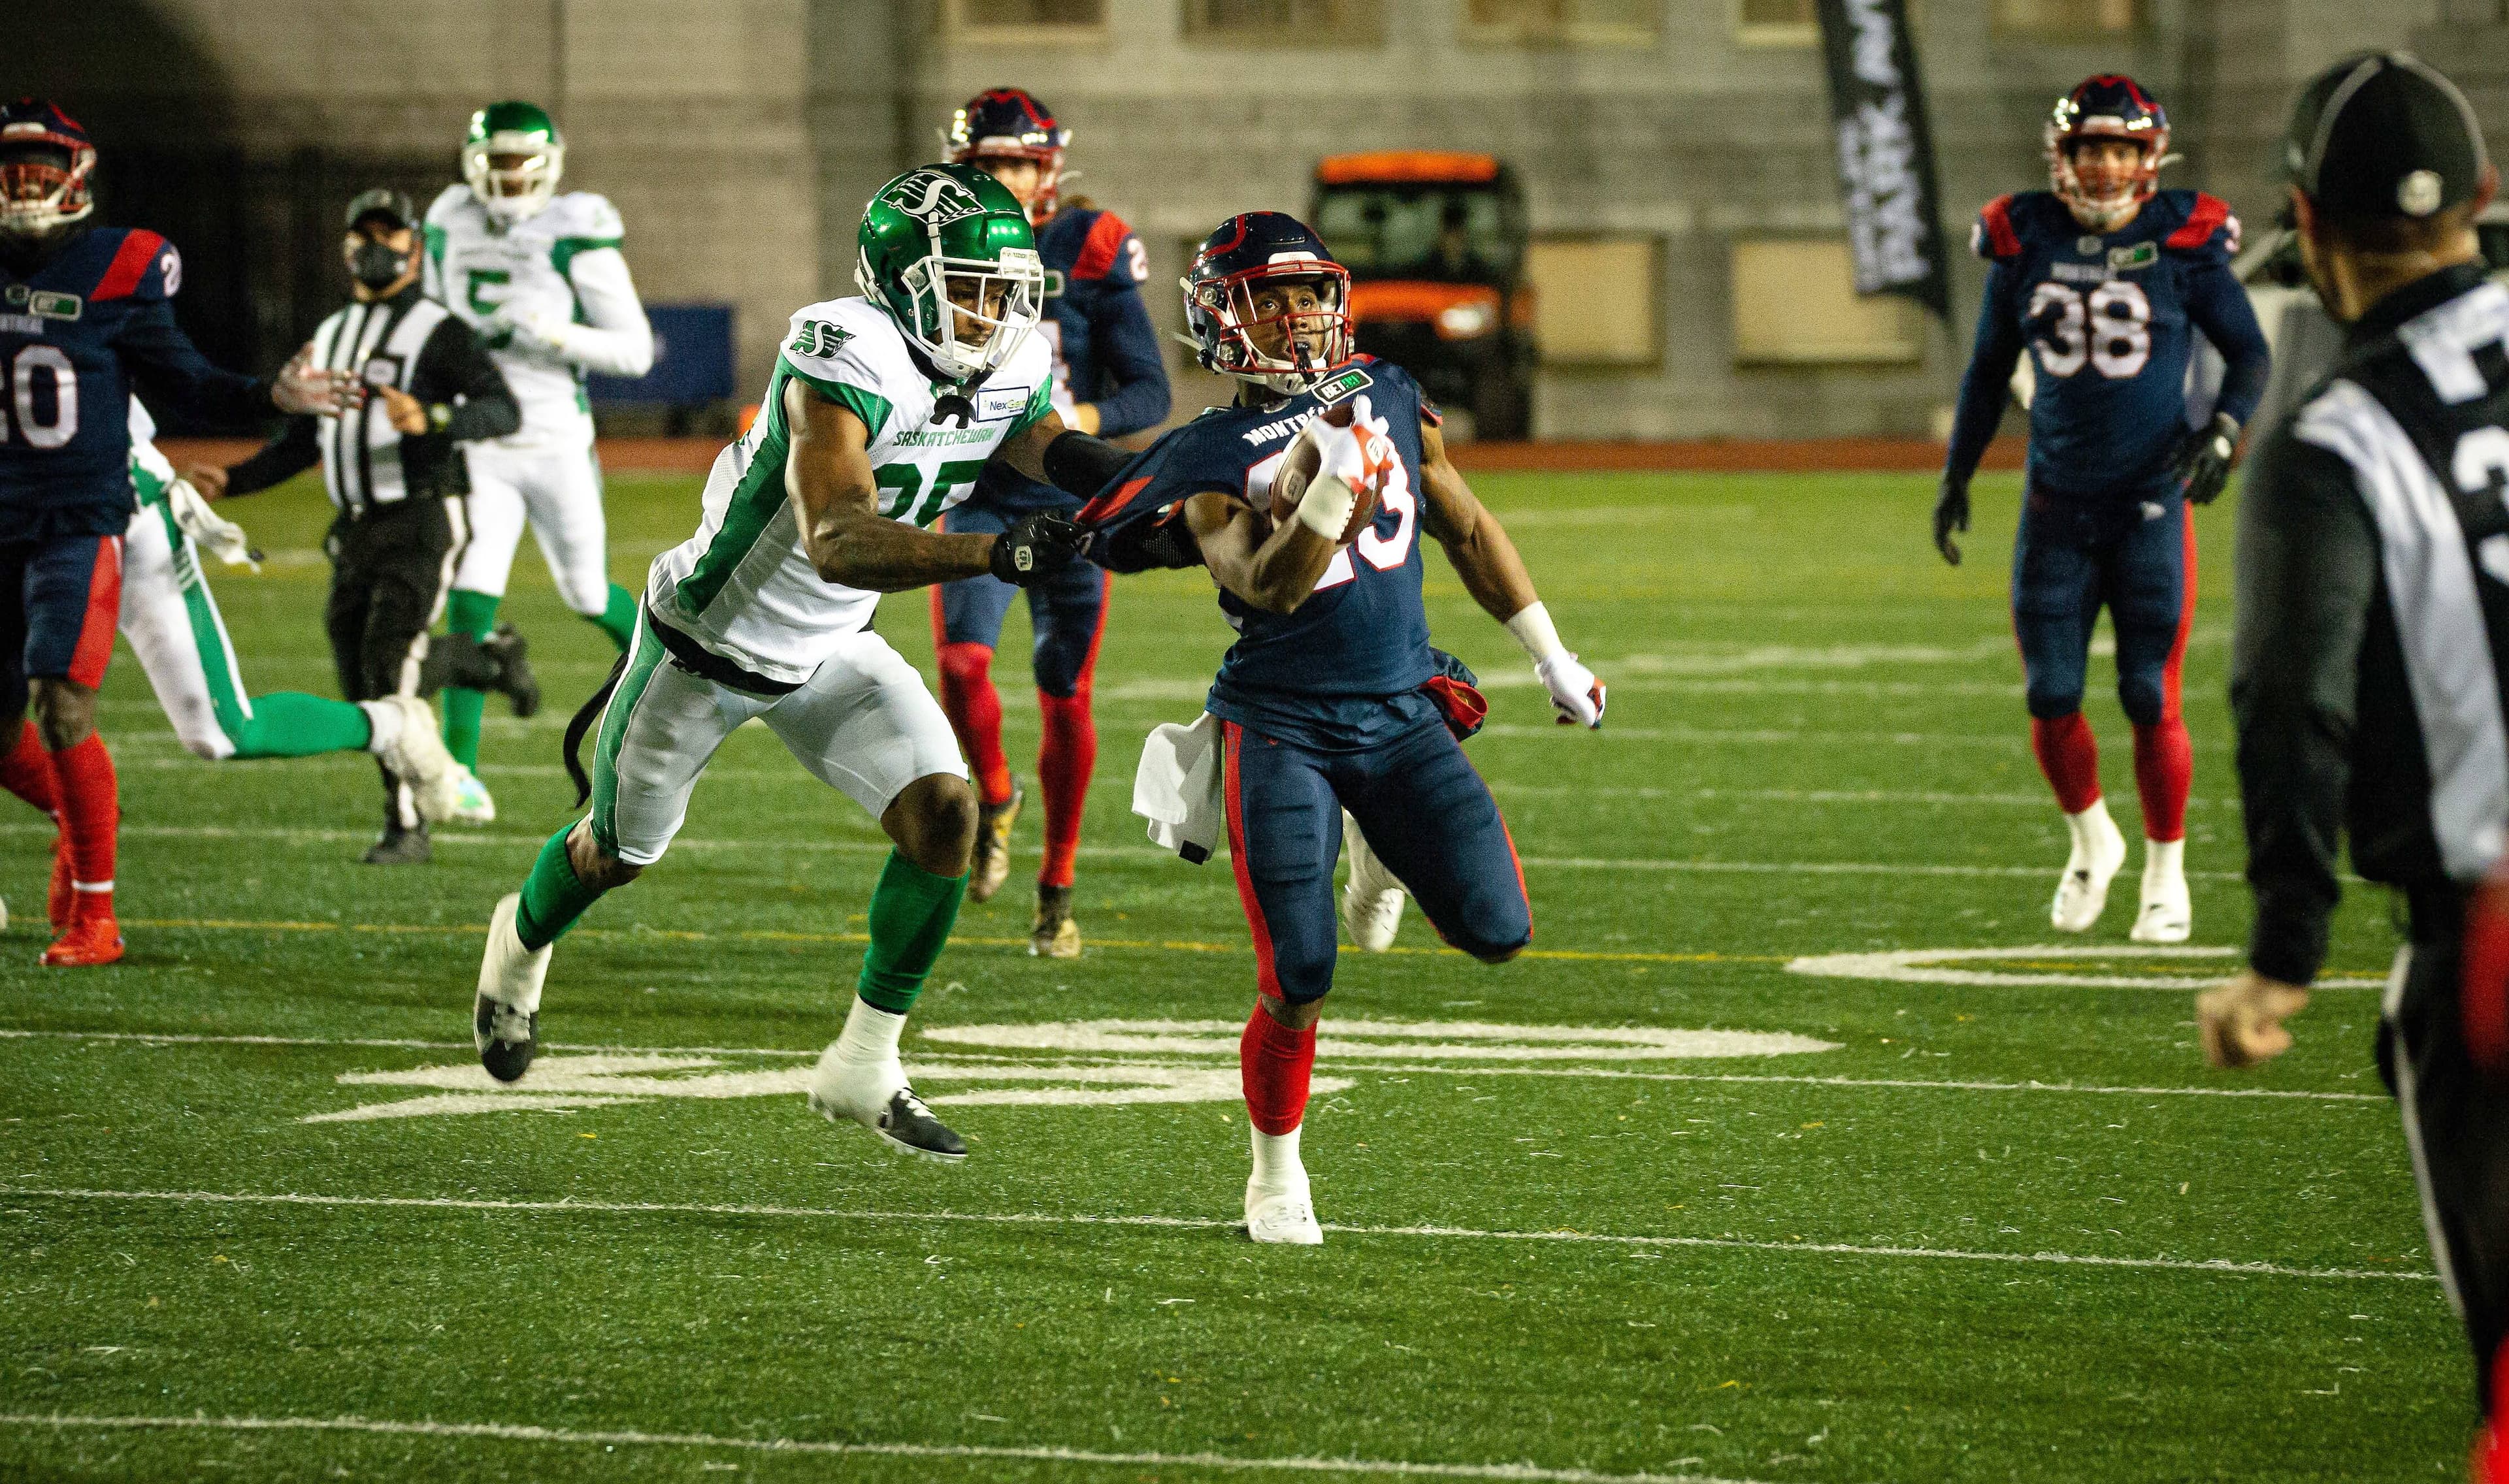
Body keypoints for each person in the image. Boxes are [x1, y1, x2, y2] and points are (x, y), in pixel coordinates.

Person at [469, 165, 1134, 1163]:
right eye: (969, 288)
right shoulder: (844, 350)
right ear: (902, 282)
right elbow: (840, 539)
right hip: (705, 648)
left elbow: (1042, 441)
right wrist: (997, 552)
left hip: (829, 647)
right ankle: (515, 952)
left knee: (945, 816)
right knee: (614, 855)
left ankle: (864, 1064)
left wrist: (1175, 485)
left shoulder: (1001, 356)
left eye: (1005, 292)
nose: (993, 314)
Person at [1076, 212, 1606, 1244]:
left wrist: (1552, 654)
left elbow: (1461, 518)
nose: (1299, 316)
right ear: (1221, 320)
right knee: (1299, 972)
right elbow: (1266, 589)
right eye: (1269, 299)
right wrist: (1326, 508)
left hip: (1403, 708)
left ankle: (1380, 854)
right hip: (1281, 724)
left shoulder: (1391, 390)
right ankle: (1277, 1172)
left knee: (1500, 932)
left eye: (1311, 293)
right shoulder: (1211, 455)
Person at [2195, 53, 2509, 1477]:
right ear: (2484, 198)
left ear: (2308, 229)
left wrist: (2282, 951)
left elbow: (2287, 695)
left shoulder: (2341, 438)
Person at [0, 97, 358, 965]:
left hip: (80, 516)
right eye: (15, 164)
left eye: (44, 163)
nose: (25, 179)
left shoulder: (118, 264)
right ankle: (76, 821)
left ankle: (97, 917)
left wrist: (268, 399)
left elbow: (187, 382)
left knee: (64, 700)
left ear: (78, 175)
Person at [1934, 75, 2271, 944]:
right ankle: (2094, 841)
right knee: (2051, 696)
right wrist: (1957, 476)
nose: (2108, 164)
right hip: (2055, 505)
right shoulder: (2026, 239)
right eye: (2092, 148)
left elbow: (2249, 354)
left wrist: (2225, 432)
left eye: (2122, 148)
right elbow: (1984, 373)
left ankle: (2167, 870)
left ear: (2150, 157)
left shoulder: (2185, 243)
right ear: (2065, 156)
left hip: (2151, 502)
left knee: (2147, 695)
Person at [190, 189, 524, 863]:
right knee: (359, 680)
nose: (376, 246)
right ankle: (484, 658)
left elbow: (502, 410)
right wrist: (234, 479)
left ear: (415, 247)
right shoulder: (334, 333)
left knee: (387, 672)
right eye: (364, 234)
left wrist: (431, 420)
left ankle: (407, 826)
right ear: (347, 246)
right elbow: (303, 439)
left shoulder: (440, 330)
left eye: (389, 233)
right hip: (358, 524)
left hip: (425, 513)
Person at [931, 87, 1170, 956]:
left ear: (1048, 167)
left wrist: (1076, 430)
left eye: (1018, 161)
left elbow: (1150, 388)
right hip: (979, 490)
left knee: (1063, 691)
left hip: (1071, 501)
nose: (1004, 176)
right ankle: (995, 795)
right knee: (961, 666)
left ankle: (1057, 885)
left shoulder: (1089, 245)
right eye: (989, 162)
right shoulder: (939, 245)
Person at [423, 101, 654, 824]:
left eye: (524, 160)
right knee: (469, 593)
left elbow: (635, 352)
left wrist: (557, 333)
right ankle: (458, 771)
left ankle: (688, 679)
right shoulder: (450, 220)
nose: (511, 174)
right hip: (480, 438)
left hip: (554, 438)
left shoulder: (575, 230)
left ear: (550, 164)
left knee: (587, 593)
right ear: (472, 161)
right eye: (499, 159)